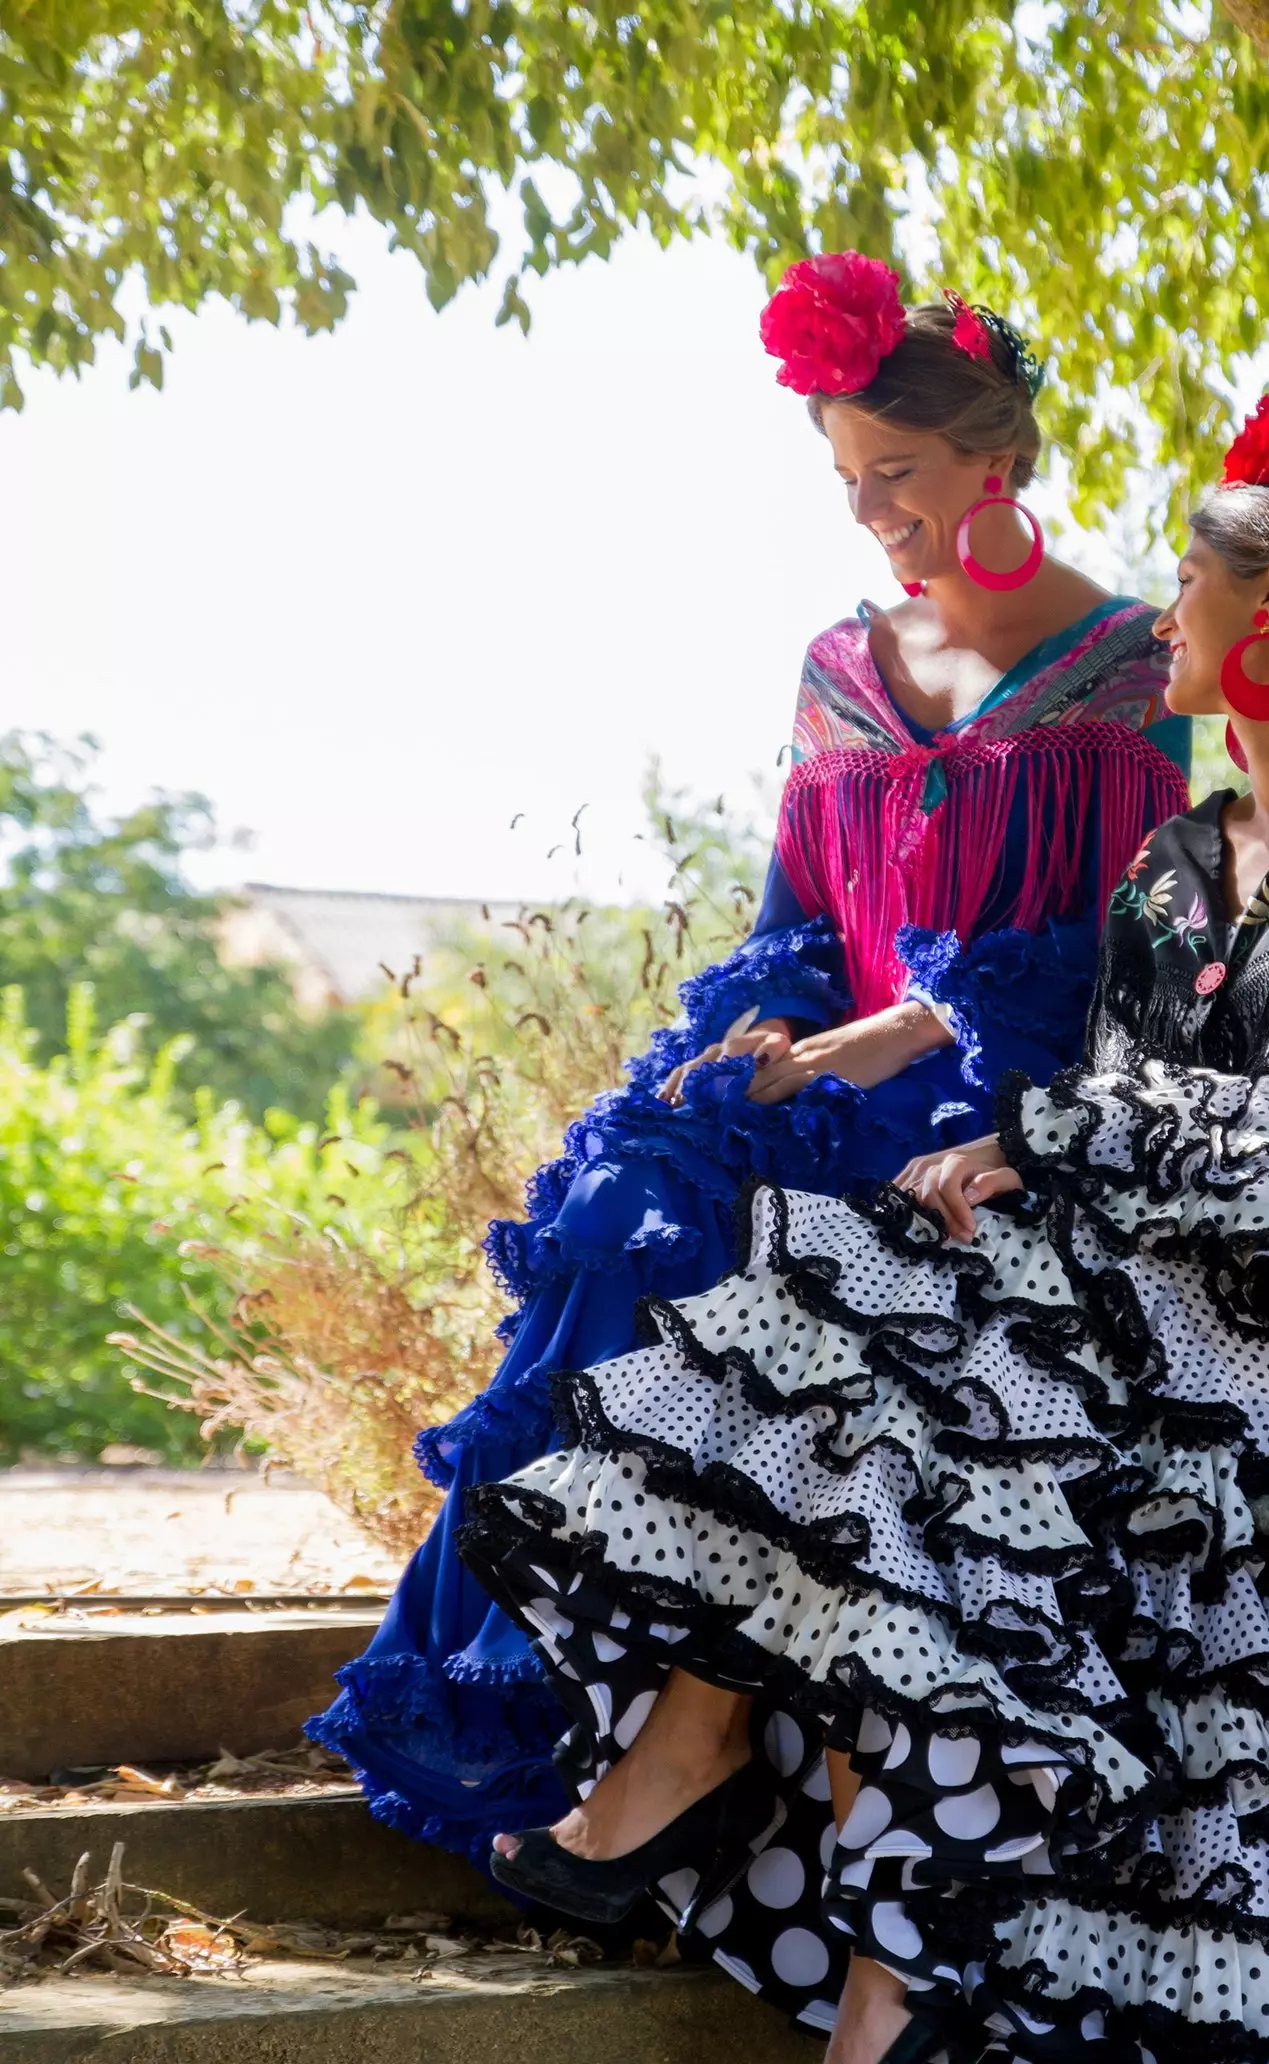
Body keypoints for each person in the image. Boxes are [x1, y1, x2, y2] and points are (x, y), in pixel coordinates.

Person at [457, 374, 1269, 2064]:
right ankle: (741, 1826)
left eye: (1190, 584)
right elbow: (1111, 1079)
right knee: (861, 1320)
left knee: (976, 1400)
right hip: (1164, 1254)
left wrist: (1055, 1149)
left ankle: (755, 1853)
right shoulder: (1176, 865)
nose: (1159, 612)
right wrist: (1002, 1146)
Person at [311, 254, 1192, 1870]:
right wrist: (758, 1034)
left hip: (977, 1099)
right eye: (850, 483)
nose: (875, 515)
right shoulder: (837, 666)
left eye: (901, 476)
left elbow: (1122, 952)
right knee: (634, 1191)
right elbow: (793, 918)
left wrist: (896, 1037)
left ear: (996, 459)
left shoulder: (1133, 663)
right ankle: (511, 1699)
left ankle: (682, 1749)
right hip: (827, 1078)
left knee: (763, 1270)